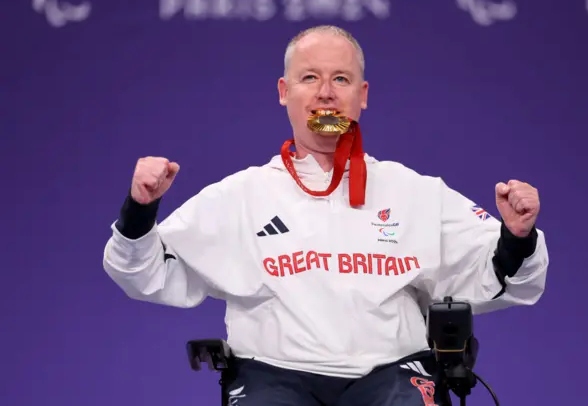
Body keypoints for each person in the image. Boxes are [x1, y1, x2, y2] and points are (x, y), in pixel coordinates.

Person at [103, 25, 549, 406]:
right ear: (284, 92)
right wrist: (140, 209)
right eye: (309, 77)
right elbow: (147, 272)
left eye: (341, 79)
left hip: (392, 375)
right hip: (272, 376)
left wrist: (517, 235)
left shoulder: (417, 192)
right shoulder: (240, 195)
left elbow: (497, 272)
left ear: (363, 95)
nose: (325, 93)